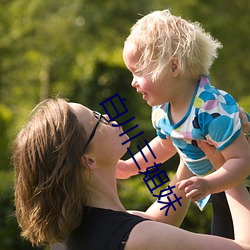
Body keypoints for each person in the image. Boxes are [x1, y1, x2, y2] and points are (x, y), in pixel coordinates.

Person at [13, 98, 250, 250]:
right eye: (98, 120)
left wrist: (189, 142)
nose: (109, 118)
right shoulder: (138, 238)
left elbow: (157, 219)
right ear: (88, 160)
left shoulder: (75, 233)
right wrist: (226, 166)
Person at [120, 9, 250, 238]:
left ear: (173, 67)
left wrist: (209, 184)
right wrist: (130, 166)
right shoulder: (162, 110)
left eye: (138, 72)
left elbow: (242, 160)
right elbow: (166, 145)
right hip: (221, 188)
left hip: (239, 185)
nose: (133, 82)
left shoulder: (211, 109)